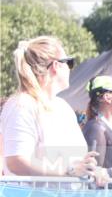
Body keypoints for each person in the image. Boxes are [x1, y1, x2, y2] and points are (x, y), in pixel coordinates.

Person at [2, 36, 103, 180]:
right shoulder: (22, 105)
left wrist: (91, 171)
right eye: (69, 62)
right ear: (56, 66)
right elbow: (16, 162)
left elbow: (74, 163)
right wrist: (68, 170)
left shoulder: (63, 107)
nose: (71, 69)